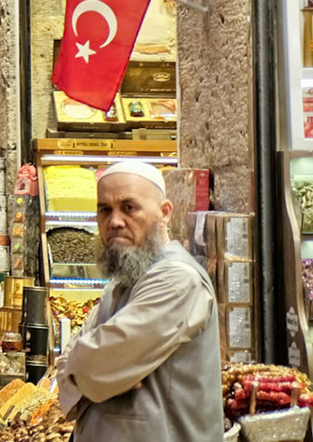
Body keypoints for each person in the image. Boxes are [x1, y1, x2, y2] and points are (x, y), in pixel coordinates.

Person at [57, 161, 219, 441]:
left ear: (164, 213)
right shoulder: (121, 283)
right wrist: (91, 370)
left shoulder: (178, 280)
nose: (115, 221)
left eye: (129, 208)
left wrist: (90, 369)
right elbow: (72, 361)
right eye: (104, 210)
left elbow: (92, 364)